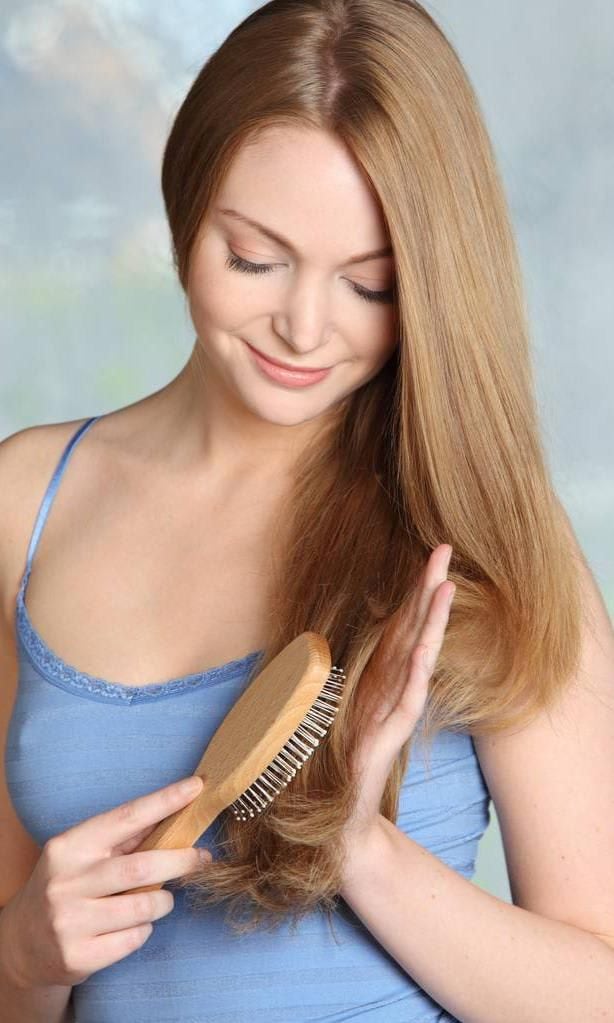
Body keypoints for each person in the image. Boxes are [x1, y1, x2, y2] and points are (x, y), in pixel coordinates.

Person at [1, 1, 613, 1021]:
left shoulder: (476, 525)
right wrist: (25, 955)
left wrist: (362, 854)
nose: (302, 325)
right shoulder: (24, 501)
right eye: (254, 258)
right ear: (184, 206)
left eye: (367, 285)